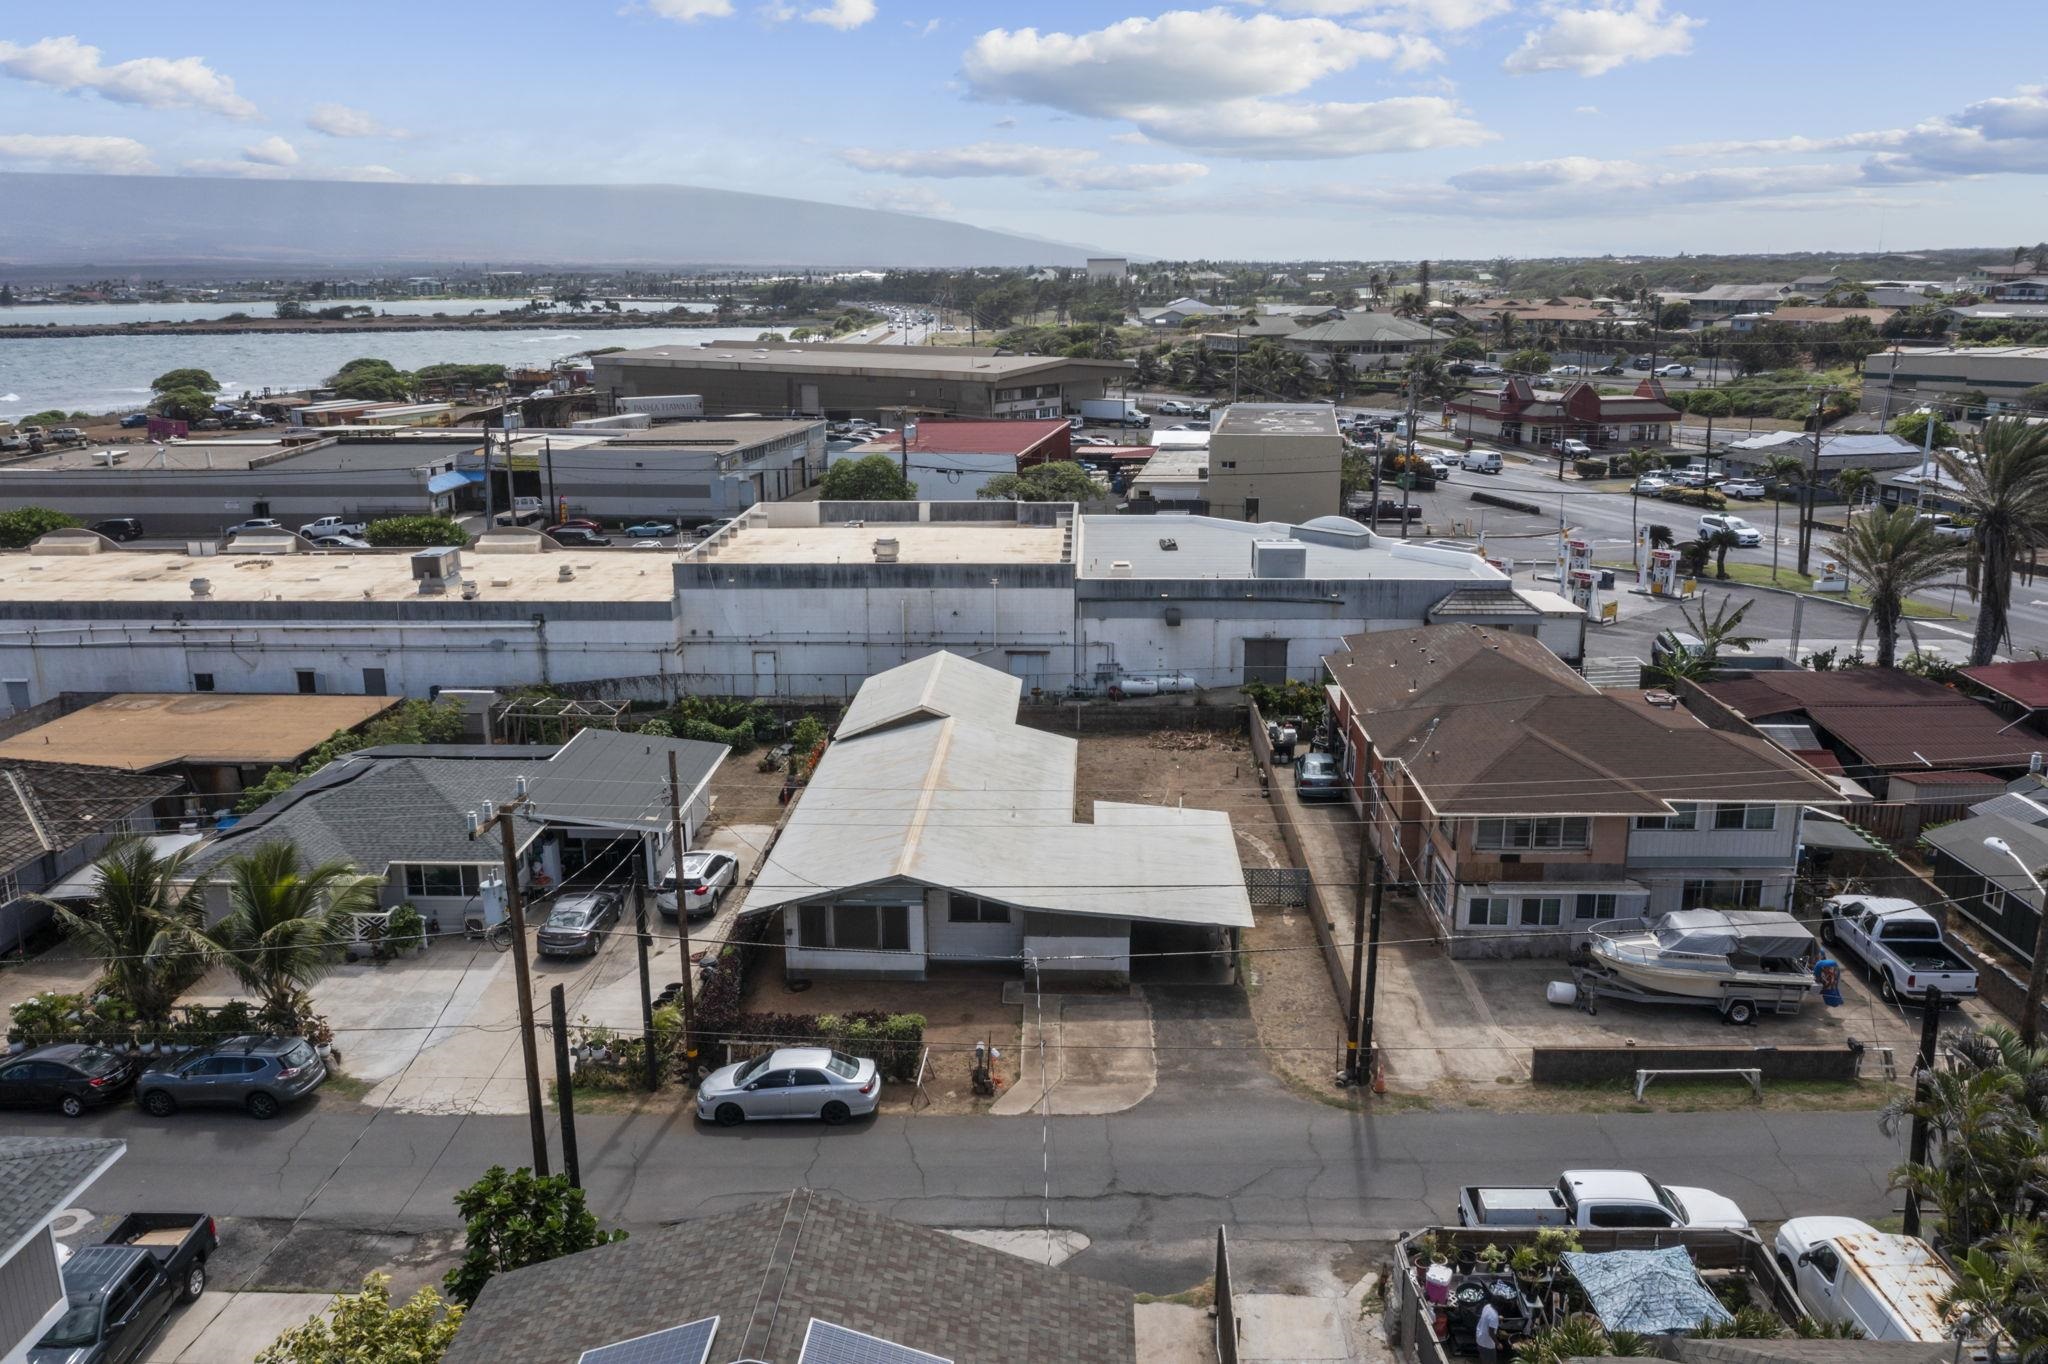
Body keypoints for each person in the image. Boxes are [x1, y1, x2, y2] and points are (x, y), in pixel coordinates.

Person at [1474, 1298, 1501, 1364]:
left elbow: (1488, 1317)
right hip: (1487, 1344)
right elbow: (1491, 1332)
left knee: (1483, 1357)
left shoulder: (1487, 1306)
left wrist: (1498, 1317)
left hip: (1480, 1337)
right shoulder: (1494, 1316)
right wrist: (1498, 1344)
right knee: (1491, 1362)